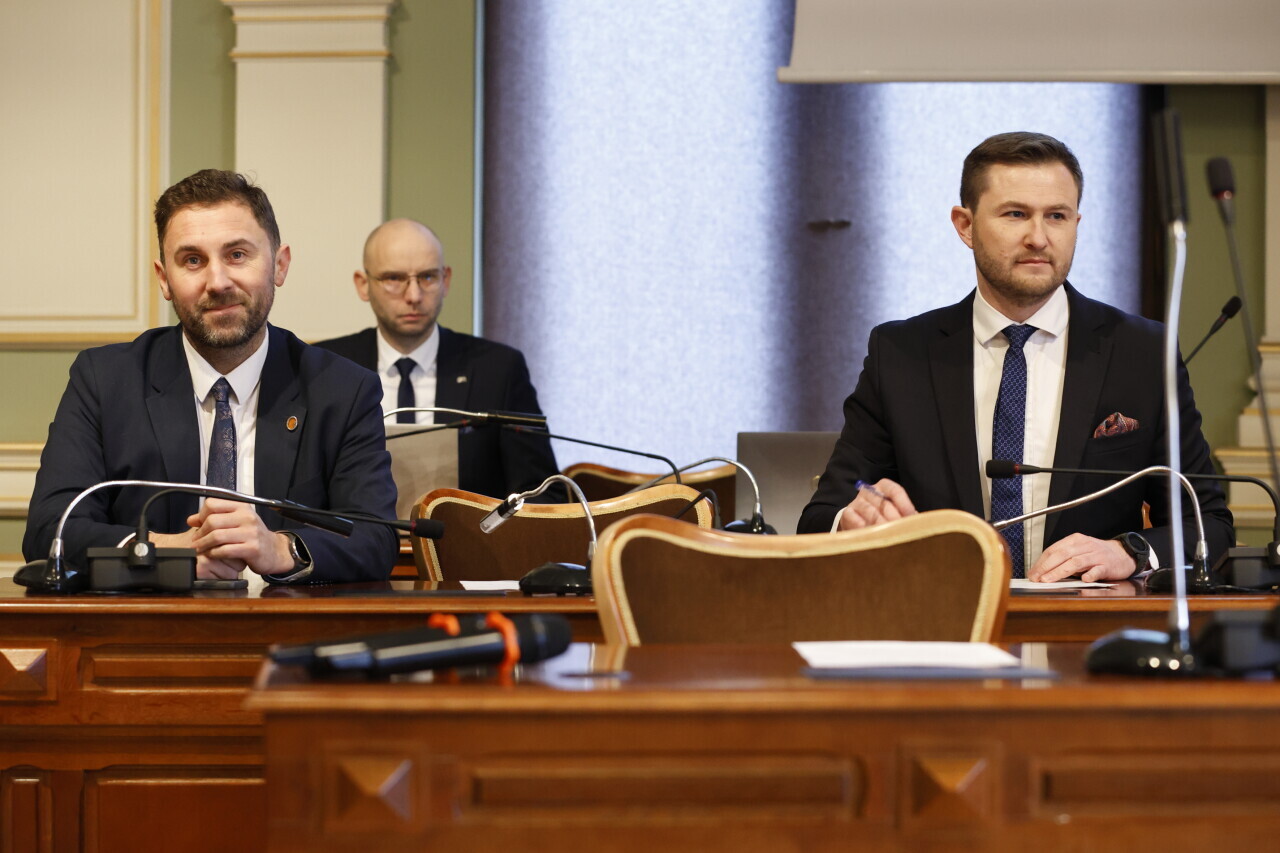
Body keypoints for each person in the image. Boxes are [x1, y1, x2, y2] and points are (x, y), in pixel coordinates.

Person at [798, 132, 1233, 582]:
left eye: (1057, 216)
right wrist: (853, 520)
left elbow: (1210, 524)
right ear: (965, 225)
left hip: (1087, 618)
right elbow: (822, 515)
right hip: (945, 614)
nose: (1038, 238)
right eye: (1015, 214)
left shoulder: (1141, 352)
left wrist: (1130, 551)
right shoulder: (901, 354)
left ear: (1076, 223)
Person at [23, 170, 398, 583]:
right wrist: (166, 554)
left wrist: (280, 548)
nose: (217, 282)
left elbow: (375, 537)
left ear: (279, 264)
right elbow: (50, 528)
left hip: (286, 618)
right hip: (148, 622)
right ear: (164, 279)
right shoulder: (105, 380)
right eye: (192, 260)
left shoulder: (343, 390)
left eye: (237, 255)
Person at [315, 219, 558, 499]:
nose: (414, 295)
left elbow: (543, 494)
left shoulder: (498, 370)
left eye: (428, 277)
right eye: (394, 279)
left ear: (446, 280)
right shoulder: (326, 368)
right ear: (363, 285)